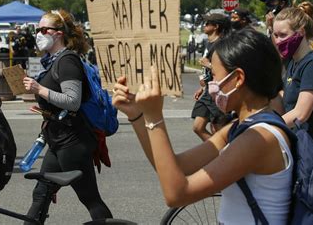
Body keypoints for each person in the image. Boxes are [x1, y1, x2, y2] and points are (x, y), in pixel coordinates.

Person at [113, 29, 293, 224]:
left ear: (238, 79)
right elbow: (176, 166)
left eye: (214, 76)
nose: (211, 84)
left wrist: (154, 116)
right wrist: (138, 115)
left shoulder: (259, 137)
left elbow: (177, 194)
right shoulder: (240, 128)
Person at [22, 9, 112, 223]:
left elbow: (73, 100)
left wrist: (39, 89)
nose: (38, 34)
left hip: (73, 141)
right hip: (58, 139)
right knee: (41, 193)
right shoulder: (53, 62)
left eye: (44, 29)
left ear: (58, 33)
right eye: (37, 30)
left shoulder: (67, 61)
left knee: (90, 198)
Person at [272, 7, 313, 158]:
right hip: (302, 143)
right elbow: (287, 97)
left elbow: (301, 114)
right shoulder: (293, 62)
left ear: (301, 32)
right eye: (275, 35)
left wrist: (266, 126)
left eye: (283, 35)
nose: (278, 41)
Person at [191, 13, 229, 141]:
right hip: (207, 90)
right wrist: (201, 88)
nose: (204, 25)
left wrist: (209, 65)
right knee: (198, 127)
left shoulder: (221, 45)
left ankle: (227, 152)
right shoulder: (208, 43)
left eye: (207, 23)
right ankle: (218, 151)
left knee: (219, 128)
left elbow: (226, 70)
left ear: (216, 26)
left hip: (217, 91)